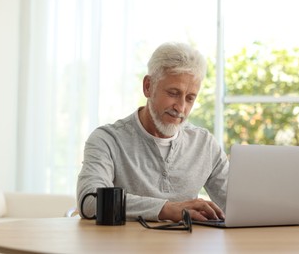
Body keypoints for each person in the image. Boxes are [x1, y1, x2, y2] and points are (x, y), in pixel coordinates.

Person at [77, 42, 229, 222]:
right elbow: (89, 201)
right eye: (173, 93)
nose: (181, 107)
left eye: (190, 98)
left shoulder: (204, 144)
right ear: (148, 86)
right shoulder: (107, 140)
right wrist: (167, 209)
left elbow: (238, 204)